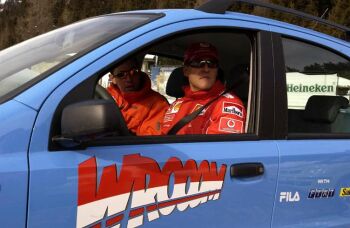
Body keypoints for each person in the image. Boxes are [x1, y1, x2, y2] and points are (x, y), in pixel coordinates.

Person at [161, 42, 246, 135]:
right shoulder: (176, 104)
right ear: (186, 70)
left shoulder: (228, 105)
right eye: (198, 63)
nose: (206, 69)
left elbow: (221, 148)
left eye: (211, 63)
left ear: (216, 71)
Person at [107, 58, 169, 135]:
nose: (129, 79)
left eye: (133, 72)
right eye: (121, 75)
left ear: (139, 72)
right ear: (113, 79)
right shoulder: (105, 96)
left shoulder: (158, 103)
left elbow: (150, 141)